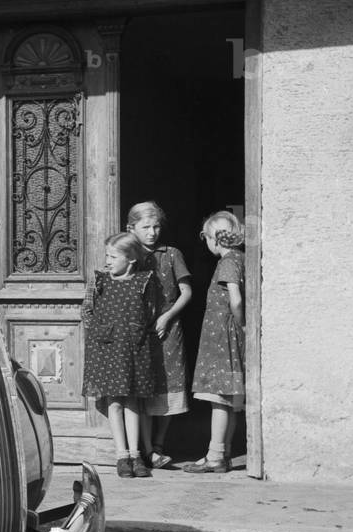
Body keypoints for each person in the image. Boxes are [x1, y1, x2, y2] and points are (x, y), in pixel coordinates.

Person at [82, 232, 159, 478]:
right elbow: (87, 311)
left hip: (134, 348)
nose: (108, 261)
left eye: (114, 256)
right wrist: (100, 335)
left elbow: (151, 312)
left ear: (131, 259)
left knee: (132, 400)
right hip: (108, 347)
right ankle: (121, 455)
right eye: (107, 255)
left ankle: (136, 455)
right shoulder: (100, 281)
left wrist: (135, 333)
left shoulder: (144, 281)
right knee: (114, 400)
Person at [127, 201, 192, 469]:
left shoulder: (171, 253)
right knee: (144, 387)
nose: (153, 233)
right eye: (146, 227)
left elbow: (186, 291)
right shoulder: (128, 255)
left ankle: (159, 444)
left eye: (156, 227)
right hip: (139, 332)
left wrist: (167, 316)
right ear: (131, 228)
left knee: (169, 383)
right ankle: (144, 450)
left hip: (168, 329)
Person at [182, 210, 246, 473]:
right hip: (225, 334)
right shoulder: (240, 258)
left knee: (218, 397)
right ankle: (223, 453)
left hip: (222, 336)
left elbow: (236, 298)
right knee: (227, 398)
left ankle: (215, 455)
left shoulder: (227, 262)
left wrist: (240, 323)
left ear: (214, 239)